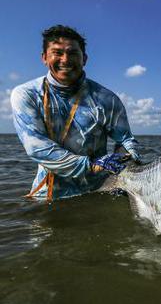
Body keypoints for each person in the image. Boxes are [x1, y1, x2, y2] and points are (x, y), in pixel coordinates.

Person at [11, 25, 139, 202]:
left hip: (99, 191)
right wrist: (92, 166)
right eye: (57, 53)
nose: (65, 59)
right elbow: (36, 147)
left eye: (72, 53)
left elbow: (124, 139)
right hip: (48, 194)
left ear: (84, 58)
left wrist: (124, 169)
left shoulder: (106, 99)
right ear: (44, 58)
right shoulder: (27, 94)